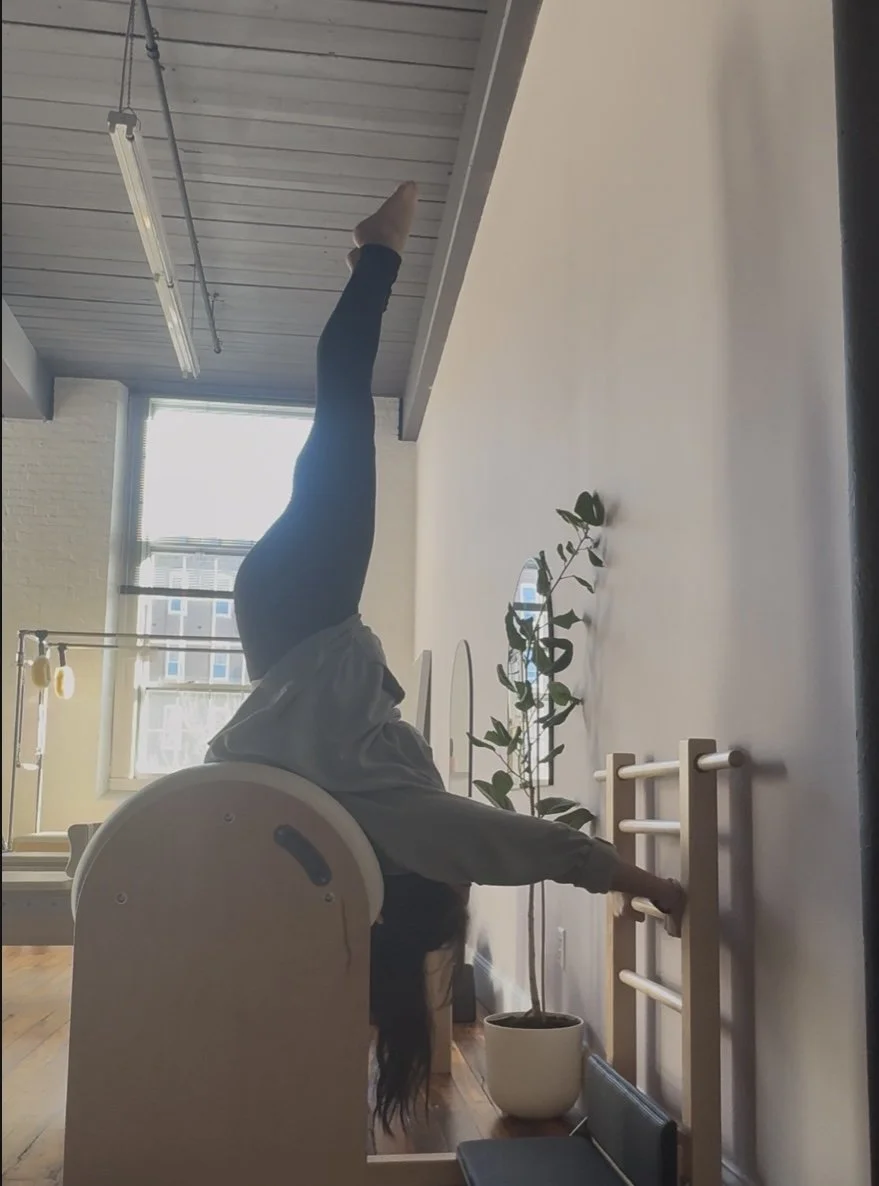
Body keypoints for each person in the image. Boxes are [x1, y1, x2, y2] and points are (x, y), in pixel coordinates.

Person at [206, 182, 685, 1131]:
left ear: (436, 888)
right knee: (333, 420)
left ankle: (378, 252)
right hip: (273, 626)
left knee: (341, 405)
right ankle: (366, 262)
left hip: (305, 615)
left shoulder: (409, 832)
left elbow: (529, 844)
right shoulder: (353, 862)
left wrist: (650, 885)